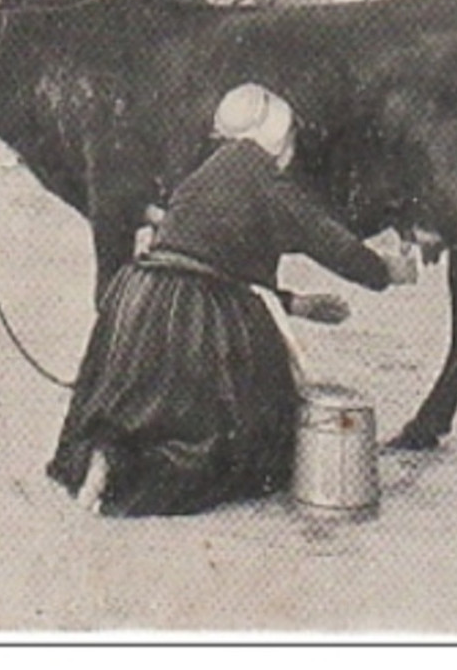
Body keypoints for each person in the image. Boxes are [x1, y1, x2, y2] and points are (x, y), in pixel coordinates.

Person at [47, 83, 417, 517]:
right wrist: (388, 271)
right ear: (277, 137)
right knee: (235, 441)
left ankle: (107, 454)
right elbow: (332, 243)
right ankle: (131, 467)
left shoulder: (205, 174)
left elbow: (210, 257)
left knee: (137, 408)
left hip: (138, 304)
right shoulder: (266, 177)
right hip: (194, 314)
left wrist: (295, 304)